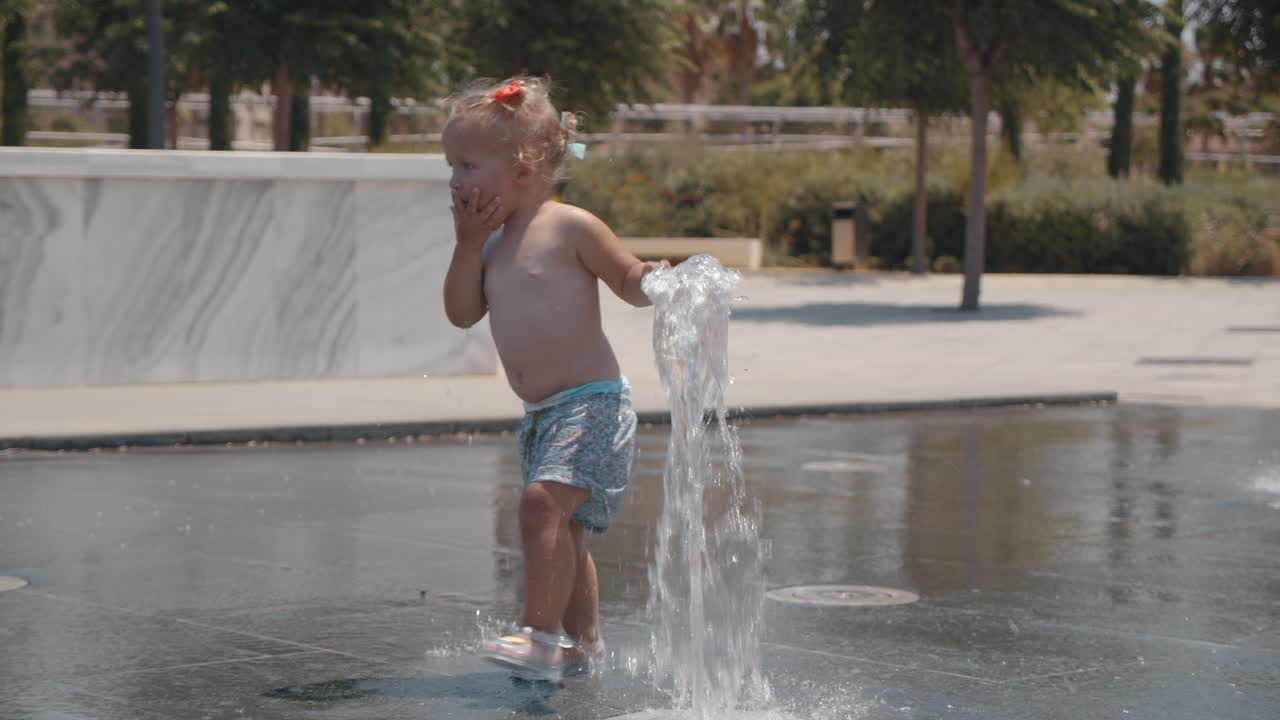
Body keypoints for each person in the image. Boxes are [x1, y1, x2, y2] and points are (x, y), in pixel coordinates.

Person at [441, 76, 668, 681]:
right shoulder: (486, 244)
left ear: (521, 168)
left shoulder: (570, 226)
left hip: (592, 405)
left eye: (466, 164)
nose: (455, 180)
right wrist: (466, 246)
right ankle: (586, 644)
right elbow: (462, 312)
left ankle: (540, 636)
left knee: (541, 509)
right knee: (563, 532)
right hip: (542, 414)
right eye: (451, 165)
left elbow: (624, 279)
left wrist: (654, 281)